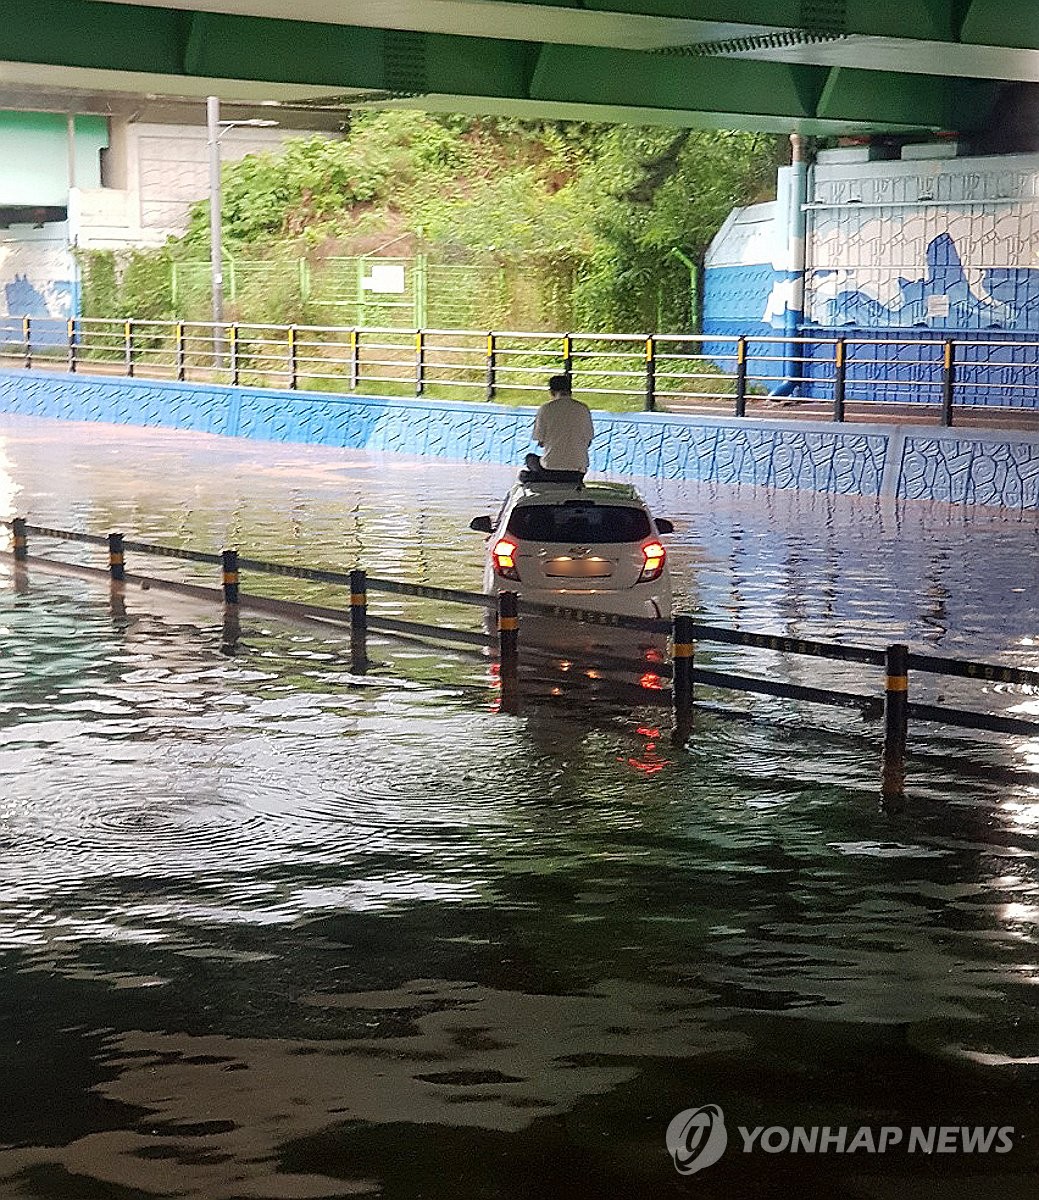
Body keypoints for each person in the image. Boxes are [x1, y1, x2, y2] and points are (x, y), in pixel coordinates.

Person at [521, 375, 594, 483]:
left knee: (530, 458)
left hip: (550, 470)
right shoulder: (583, 409)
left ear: (551, 392)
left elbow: (541, 442)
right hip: (577, 472)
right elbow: (588, 441)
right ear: (570, 391)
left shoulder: (545, 409)